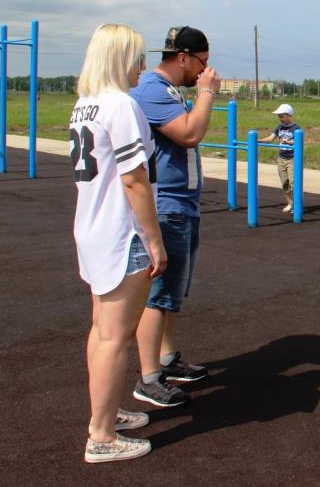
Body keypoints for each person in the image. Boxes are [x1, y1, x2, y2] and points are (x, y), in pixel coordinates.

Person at [71, 24, 166, 463]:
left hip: (92, 227)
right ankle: (102, 435)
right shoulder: (122, 105)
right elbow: (134, 180)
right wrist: (154, 239)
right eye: (137, 57)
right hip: (121, 232)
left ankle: (104, 414)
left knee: (101, 330)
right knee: (115, 337)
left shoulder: (85, 104)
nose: (141, 66)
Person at [130, 25, 222, 408]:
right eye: (202, 62)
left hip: (181, 204)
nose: (205, 71)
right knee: (159, 294)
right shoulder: (152, 89)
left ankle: (166, 359)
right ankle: (149, 377)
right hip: (166, 206)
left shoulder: (167, 90)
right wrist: (207, 93)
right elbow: (189, 133)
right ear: (183, 57)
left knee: (172, 293)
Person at [259, 103, 300, 213]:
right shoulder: (279, 127)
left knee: (294, 182)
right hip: (281, 158)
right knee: (285, 183)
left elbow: (298, 141)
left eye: (282, 116)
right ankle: (290, 203)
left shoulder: (296, 128)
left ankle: (297, 205)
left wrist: (290, 142)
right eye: (279, 116)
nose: (280, 118)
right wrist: (259, 140)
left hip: (292, 159)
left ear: (289, 115)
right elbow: (271, 138)